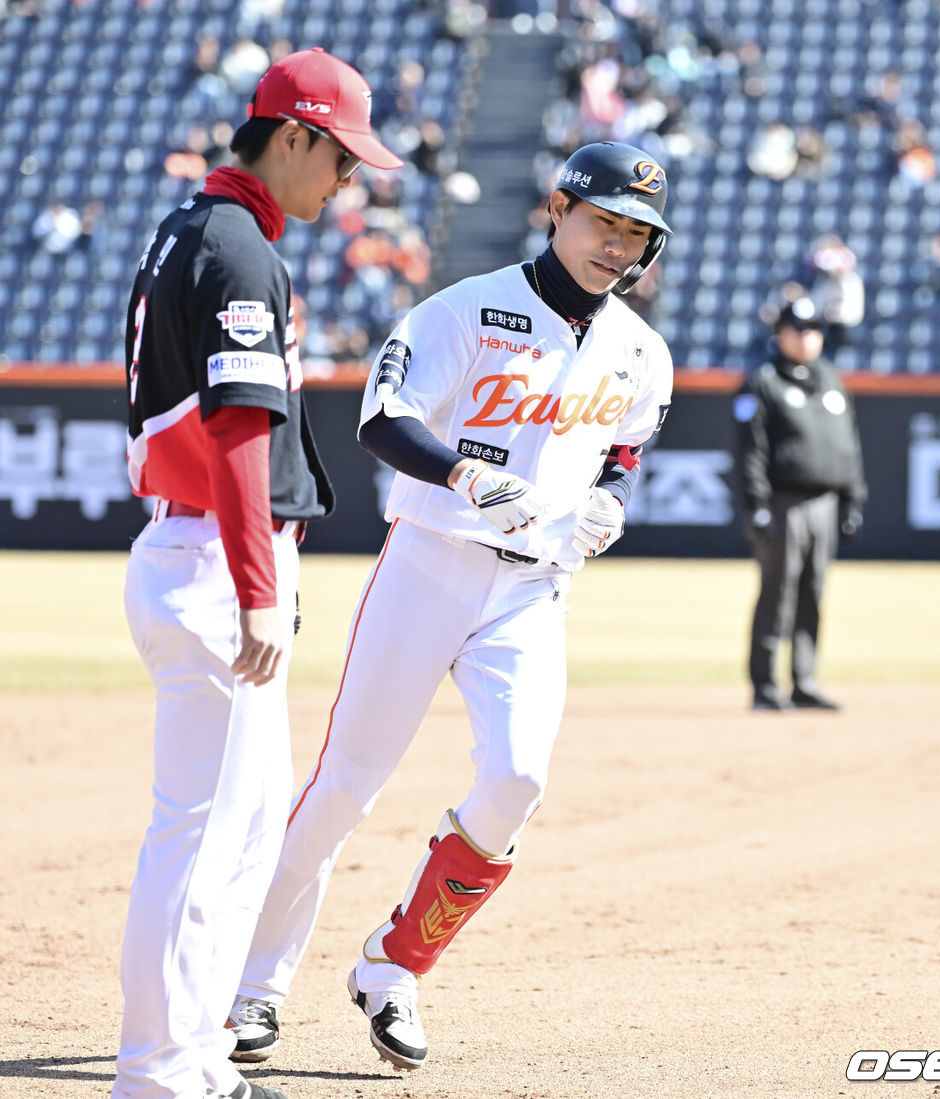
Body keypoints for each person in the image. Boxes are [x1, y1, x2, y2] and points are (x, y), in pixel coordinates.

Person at [225, 140, 674, 1072]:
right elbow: (383, 418)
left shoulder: (641, 350)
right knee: (346, 782)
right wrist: (467, 472)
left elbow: (624, 452)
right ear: (558, 208)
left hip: (533, 587)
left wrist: (610, 504)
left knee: (517, 780)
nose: (616, 246)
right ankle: (251, 988)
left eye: (636, 234)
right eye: (603, 222)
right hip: (430, 561)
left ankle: (393, 964)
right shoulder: (466, 308)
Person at [115, 47, 401, 1099]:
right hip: (211, 559)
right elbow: (238, 433)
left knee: (234, 838)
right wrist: (256, 587)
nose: (347, 181)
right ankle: (158, 1074)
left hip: (196, 549)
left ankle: (193, 1063)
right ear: (292, 137)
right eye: (339, 158)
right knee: (200, 845)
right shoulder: (237, 249)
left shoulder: (199, 229)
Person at [732, 296, 867, 712]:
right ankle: (765, 684)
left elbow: (848, 446)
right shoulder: (764, 381)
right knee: (778, 592)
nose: (809, 337)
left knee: (812, 592)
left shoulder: (830, 379)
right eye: (800, 329)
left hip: (825, 501)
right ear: (781, 333)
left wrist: (852, 498)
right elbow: (749, 452)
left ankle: (805, 680)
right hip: (783, 501)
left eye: (815, 330)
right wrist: (756, 503)